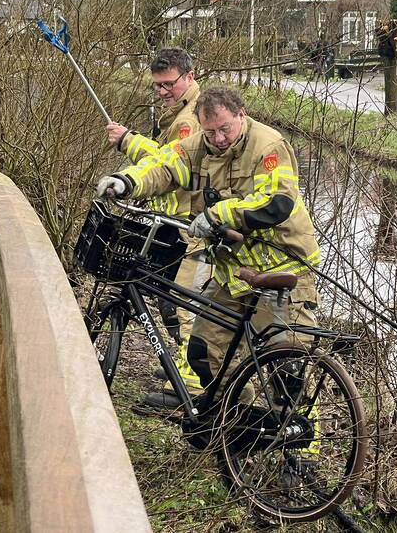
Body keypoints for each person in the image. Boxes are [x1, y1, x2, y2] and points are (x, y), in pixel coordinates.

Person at [97, 86, 320, 404]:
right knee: (204, 352)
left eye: (224, 129)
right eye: (210, 131)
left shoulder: (269, 145)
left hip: (283, 270)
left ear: (241, 115)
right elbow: (163, 165)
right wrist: (127, 181)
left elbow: (275, 203)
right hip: (235, 271)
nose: (217, 139)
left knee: (287, 366)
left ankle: (306, 449)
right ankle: (233, 423)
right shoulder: (199, 145)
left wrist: (217, 215)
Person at [104, 48, 206, 401]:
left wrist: (128, 143)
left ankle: (190, 387)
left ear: (189, 77)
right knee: (174, 300)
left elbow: (172, 166)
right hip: (181, 223)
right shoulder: (179, 112)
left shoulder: (190, 119)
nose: (163, 92)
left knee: (186, 305)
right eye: (157, 86)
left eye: (169, 84)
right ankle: (188, 364)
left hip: (196, 225)